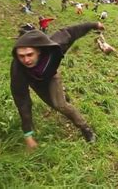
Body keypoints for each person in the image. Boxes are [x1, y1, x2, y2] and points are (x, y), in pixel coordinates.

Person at [10, 21, 105, 150]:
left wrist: (94, 24)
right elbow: (22, 100)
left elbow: (71, 31)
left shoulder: (55, 46)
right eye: (21, 56)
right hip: (37, 84)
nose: (26, 60)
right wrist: (28, 135)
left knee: (61, 105)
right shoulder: (18, 69)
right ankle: (63, 95)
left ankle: (85, 128)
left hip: (52, 76)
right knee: (53, 104)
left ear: (38, 51)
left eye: (29, 54)